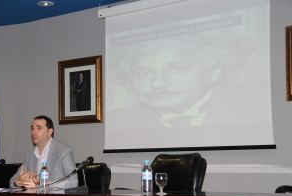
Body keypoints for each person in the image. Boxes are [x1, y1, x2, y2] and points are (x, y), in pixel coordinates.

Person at [108, 33, 269, 129]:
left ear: (214, 72)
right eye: (144, 73)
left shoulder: (258, 114)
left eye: (177, 68)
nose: (158, 83)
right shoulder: (116, 123)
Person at [10, 115, 78, 189]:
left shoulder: (63, 151)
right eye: (32, 128)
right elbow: (12, 181)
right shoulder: (30, 154)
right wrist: (17, 182)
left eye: (39, 128)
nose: (34, 132)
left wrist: (41, 184)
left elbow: (73, 182)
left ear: (50, 131)